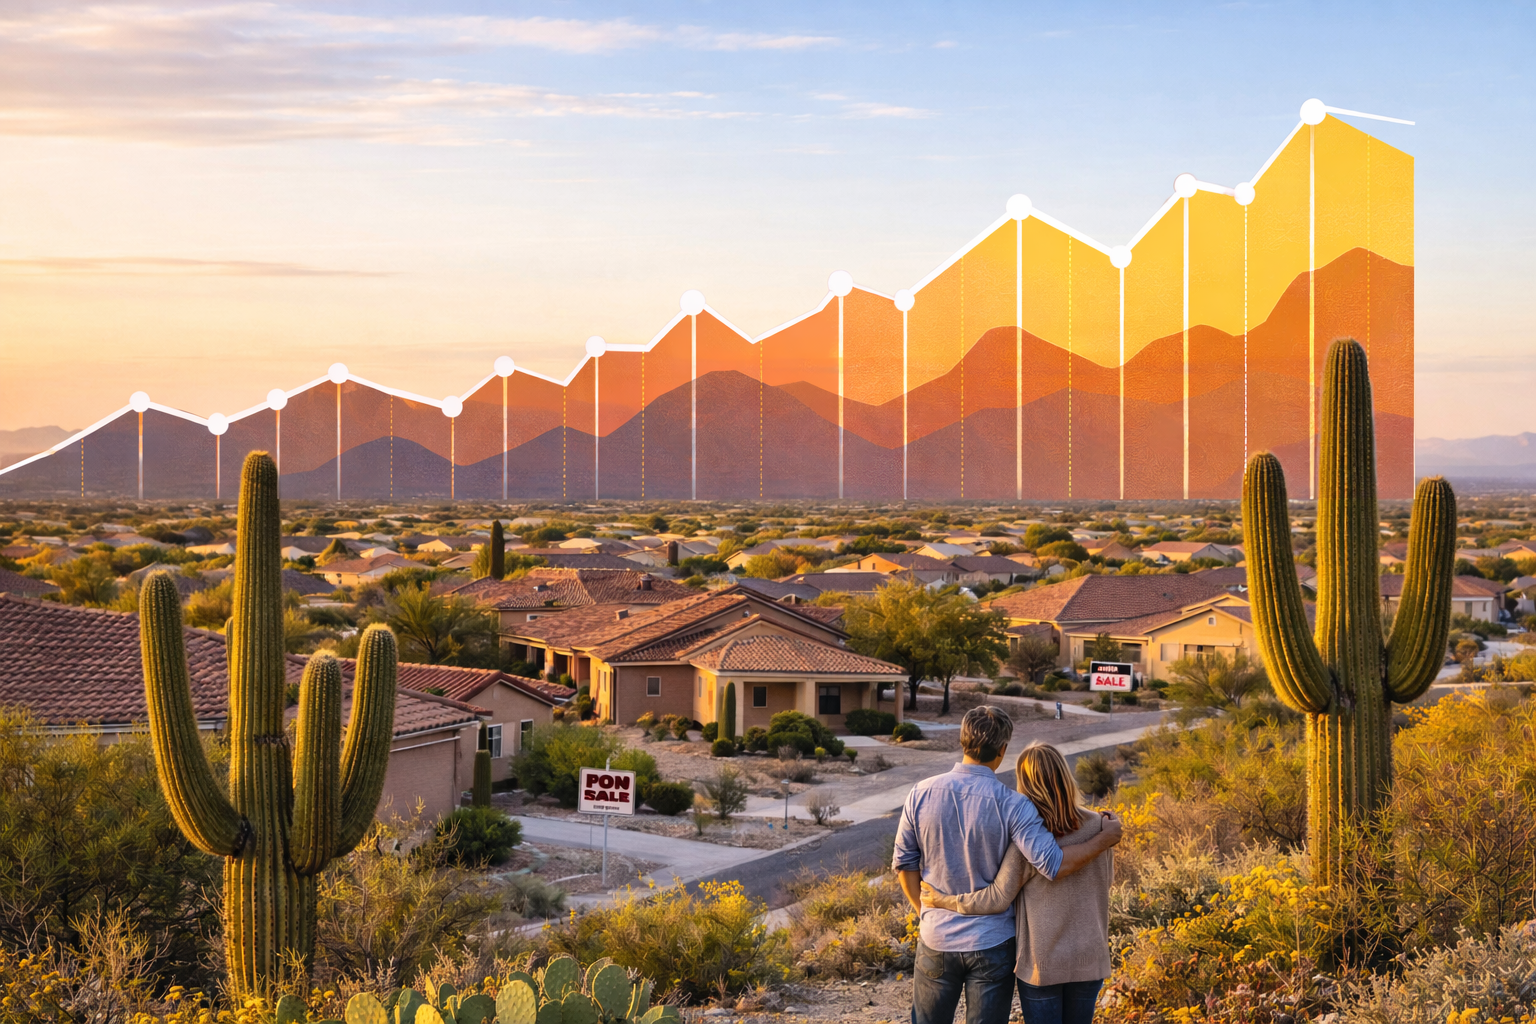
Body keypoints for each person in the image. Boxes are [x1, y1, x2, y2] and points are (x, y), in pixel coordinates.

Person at [893, 708, 1121, 1024]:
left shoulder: (920, 792)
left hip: (939, 936)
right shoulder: (1015, 805)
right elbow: (1054, 863)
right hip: (995, 942)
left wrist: (927, 910)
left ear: (963, 740)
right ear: (1002, 750)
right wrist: (1105, 836)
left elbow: (905, 864)